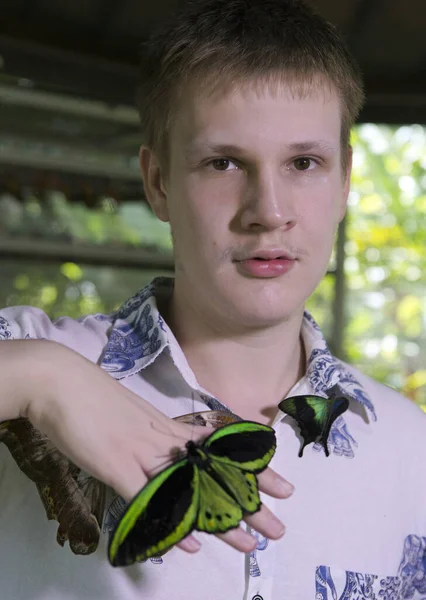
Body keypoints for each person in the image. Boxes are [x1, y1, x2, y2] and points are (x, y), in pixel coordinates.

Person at [1, 0, 425, 598]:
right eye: (223, 162)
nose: (268, 213)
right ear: (158, 183)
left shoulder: (412, 447)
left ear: (345, 182)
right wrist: (39, 377)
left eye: (304, 162)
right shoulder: (31, 364)